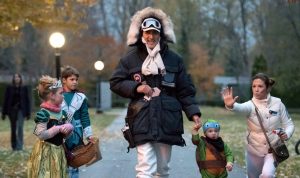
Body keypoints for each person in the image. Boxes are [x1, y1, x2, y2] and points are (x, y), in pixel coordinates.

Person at [110, 7, 201, 178]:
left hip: (168, 119)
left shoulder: (175, 60)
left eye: (154, 32)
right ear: (141, 34)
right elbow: (116, 83)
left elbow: (185, 90)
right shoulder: (130, 59)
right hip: (141, 117)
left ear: (161, 34)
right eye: (147, 32)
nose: (150, 36)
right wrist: (137, 88)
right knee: (145, 168)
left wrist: (193, 113)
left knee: (163, 169)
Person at [221, 73, 295, 178]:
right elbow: (240, 108)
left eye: (260, 86)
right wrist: (231, 105)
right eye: (254, 86)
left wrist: (286, 134)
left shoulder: (278, 103)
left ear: (268, 88)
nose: (256, 89)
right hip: (253, 151)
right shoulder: (250, 105)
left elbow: (289, 124)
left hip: (273, 150)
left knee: (267, 175)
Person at [27, 75, 73, 178]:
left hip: (59, 152)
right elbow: (41, 135)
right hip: (46, 153)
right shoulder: (44, 113)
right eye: (61, 93)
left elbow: (65, 137)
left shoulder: (63, 113)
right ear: (52, 95)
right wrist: (56, 128)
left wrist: (69, 128)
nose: (63, 96)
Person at [61, 66, 96, 178]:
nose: (75, 82)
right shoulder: (57, 96)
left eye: (76, 79)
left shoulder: (80, 97)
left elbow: (85, 117)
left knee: (74, 162)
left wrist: (88, 135)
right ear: (64, 80)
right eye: (72, 79)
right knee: (60, 163)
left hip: (76, 134)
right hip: (59, 133)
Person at [1, 73, 31, 151]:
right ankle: (14, 146)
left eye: (18, 77)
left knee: (20, 127)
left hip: (21, 110)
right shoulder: (9, 88)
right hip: (12, 110)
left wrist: (28, 113)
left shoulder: (24, 88)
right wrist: (3, 113)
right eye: (15, 77)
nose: (17, 78)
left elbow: (27, 101)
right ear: (13, 79)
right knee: (13, 128)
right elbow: (5, 100)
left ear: (20, 79)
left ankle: (19, 146)